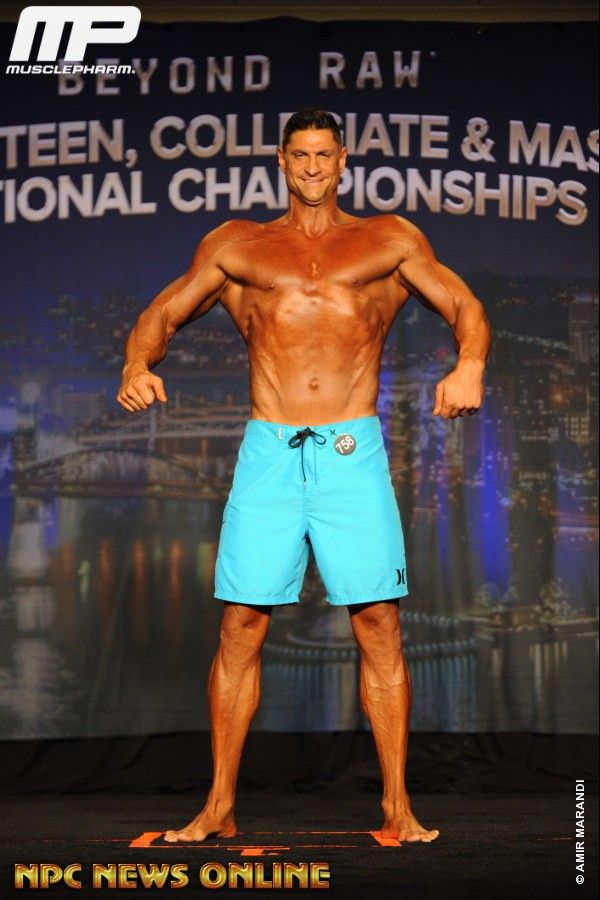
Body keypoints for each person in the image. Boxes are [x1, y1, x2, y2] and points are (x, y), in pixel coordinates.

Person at [117, 107, 491, 844]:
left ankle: (398, 808)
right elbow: (161, 313)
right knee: (241, 624)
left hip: (352, 449)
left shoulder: (388, 239)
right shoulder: (237, 245)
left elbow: (463, 305)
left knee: (379, 622)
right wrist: (136, 364)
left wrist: (470, 364)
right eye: (300, 155)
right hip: (270, 449)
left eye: (325, 155)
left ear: (343, 161)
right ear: (281, 162)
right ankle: (219, 806)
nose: (313, 167)